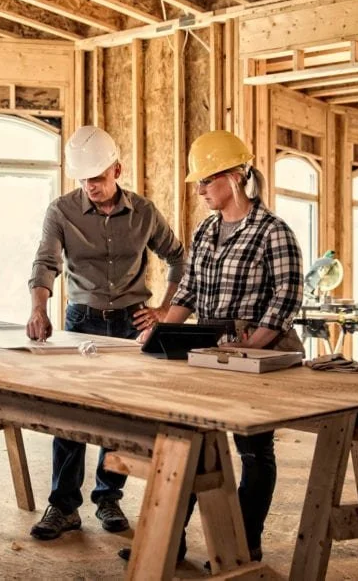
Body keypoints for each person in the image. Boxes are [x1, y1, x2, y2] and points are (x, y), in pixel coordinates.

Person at [119, 129, 304, 565]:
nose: (200, 189)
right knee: (190, 445)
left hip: (260, 350)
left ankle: (242, 546)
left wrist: (250, 347)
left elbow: (286, 300)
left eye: (207, 180)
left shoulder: (273, 232)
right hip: (211, 349)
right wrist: (161, 331)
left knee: (254, 450)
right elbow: (188, 293)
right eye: (198, 182)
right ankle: (170, 541)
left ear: (236, 176)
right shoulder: (205, 231)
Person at [26, 125, 186, 541]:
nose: (90, 187)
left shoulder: (146, 213)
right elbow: (46, 263)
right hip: (81, 322)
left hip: (132, 326)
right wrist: (39, 308)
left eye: (97, 178)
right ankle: (63, 506)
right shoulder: (61, 211)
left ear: (118, 169)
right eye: (83, 180)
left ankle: (108, 497)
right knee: (70, 416)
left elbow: (179, 259)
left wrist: (165, 311)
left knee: (119, 416)